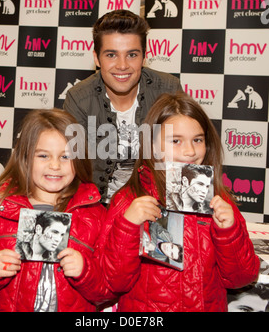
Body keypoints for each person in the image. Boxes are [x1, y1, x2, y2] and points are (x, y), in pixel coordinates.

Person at [99, 92, 260, 312]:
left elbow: (242, 279)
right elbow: (110, 284)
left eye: (198, 140)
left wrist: (229, 232)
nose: (190, 151)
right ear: (153, 145)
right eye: (175, 141)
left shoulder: (218, 201)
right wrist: (127, 227)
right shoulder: (130, 200)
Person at [0, 108, 112, 312]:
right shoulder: (0, 204)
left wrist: (85, 271)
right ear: (26, 158)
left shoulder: (94, 214)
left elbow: (109, 288)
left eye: (65, 157)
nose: (55, 165)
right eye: (43, 155)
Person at [63, 9, 183, 204]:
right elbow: (71, 167)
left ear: (144, 57)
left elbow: (185, 159)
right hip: (98, 210)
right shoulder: (78, 99)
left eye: (132, 55)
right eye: (111, 55)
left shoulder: (169, 90)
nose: (122, 65)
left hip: (156, 208)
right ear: (96, 58)